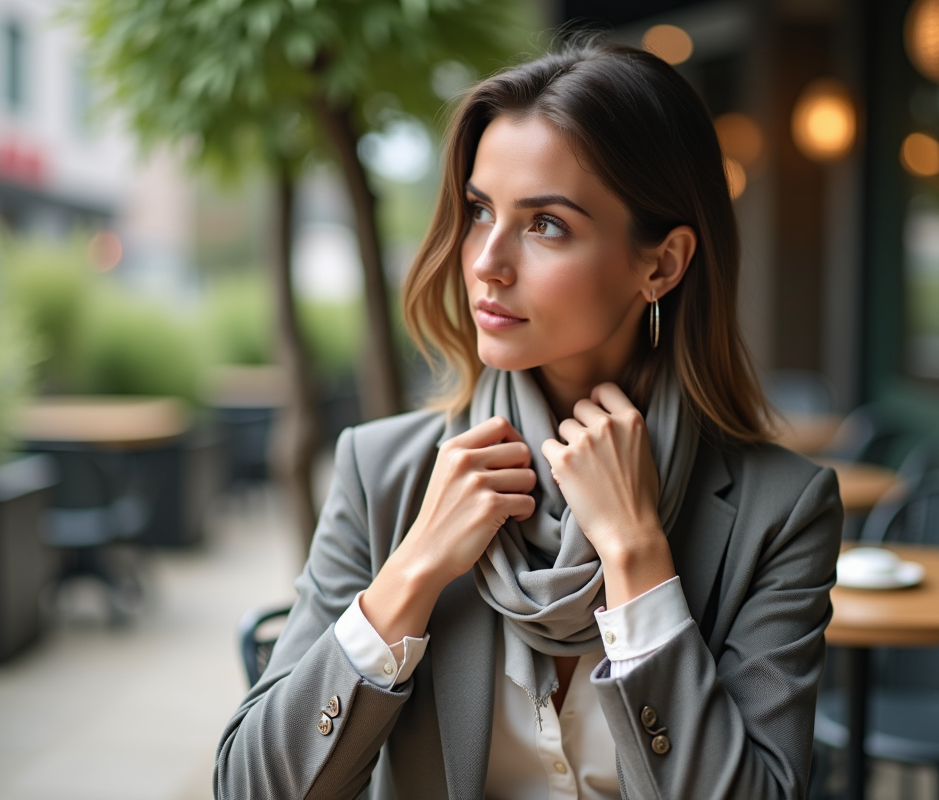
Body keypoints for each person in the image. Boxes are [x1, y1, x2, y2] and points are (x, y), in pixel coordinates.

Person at [214, 39, 842, 800]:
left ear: (663, 264)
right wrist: (411, 573)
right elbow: (251, 788)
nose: (485, 261)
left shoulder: (781, 512)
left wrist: (638, 556)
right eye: (480, 212)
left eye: (546, 224)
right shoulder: (384, 474)